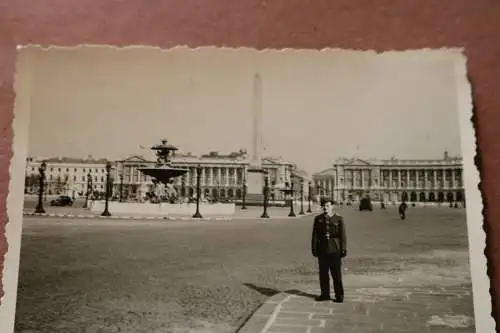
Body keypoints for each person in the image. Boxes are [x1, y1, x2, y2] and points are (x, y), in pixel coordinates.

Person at [311, 198, 347, 302]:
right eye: (324, 206)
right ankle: (325, 294)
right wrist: (314, 248)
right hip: (322, 249)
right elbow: (315, 235)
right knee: (323, 274)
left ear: (332, 206)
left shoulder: (338, 219)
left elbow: (342, 236)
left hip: (335, 249)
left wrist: (343, 249)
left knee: (336, 274)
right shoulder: (318, 219)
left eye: (327, 205)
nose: (325, 208)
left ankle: (339, 296)